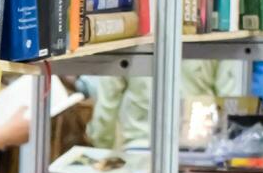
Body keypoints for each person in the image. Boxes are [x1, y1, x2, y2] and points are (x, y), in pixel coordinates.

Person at [84, 61, 243, 151]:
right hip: (196, 149)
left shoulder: (129, 32)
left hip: (140, 148)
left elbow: (107, 103)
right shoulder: (216, 30)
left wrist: (101, 148)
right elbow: (229, 100)